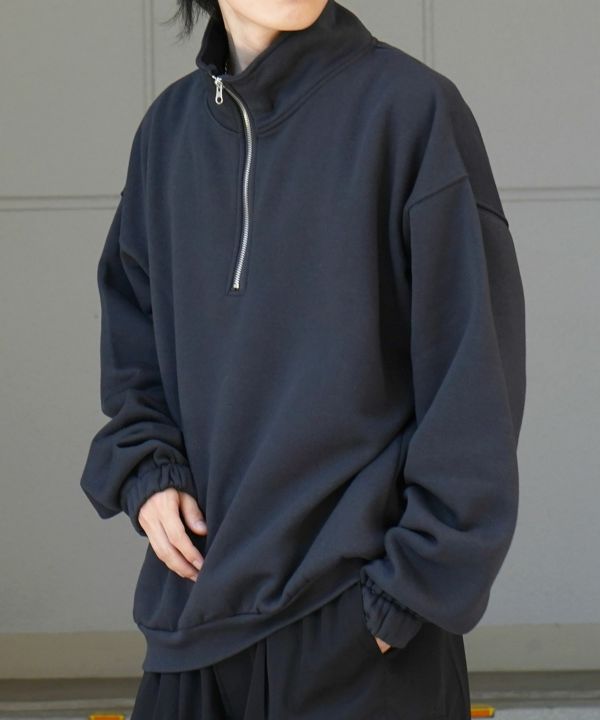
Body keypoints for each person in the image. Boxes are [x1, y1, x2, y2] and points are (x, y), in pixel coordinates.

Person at [79, 0, 527, 717]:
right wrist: (149, 472)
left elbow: (475, 372)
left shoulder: (411, 111)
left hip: (360, 628)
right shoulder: (167, 134)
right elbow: (135, 344)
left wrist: (408, 591)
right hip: (193, 617)